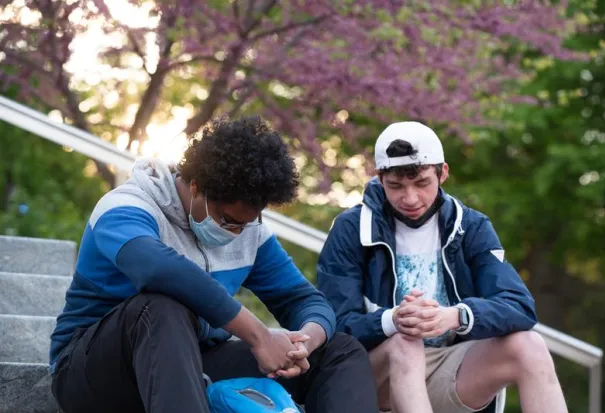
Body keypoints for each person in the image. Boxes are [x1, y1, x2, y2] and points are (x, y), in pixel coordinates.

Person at [49, 116, 378, 413]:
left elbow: (303, 299)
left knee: (339, 349)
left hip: (189, 366)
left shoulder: (250, 232)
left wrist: (303, 343)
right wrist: (259, 336)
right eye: (229, 220)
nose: (235, 232)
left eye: (246, 224)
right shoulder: (127, 206)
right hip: (95, 374)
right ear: (197, 187)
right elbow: (159, 270)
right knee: (160, 306)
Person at [317, 121, 568, 413]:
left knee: (531, 346)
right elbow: (332, 324)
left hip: (449, 372)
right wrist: (392, 321)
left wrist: (455, 316)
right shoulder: (351, 229)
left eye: (422, 183)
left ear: (443, 173)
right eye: (396, 186)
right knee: (405, 342)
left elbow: (520, 307)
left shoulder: (471, 227)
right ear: (379, 178)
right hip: (374, 379)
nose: (410, 198)